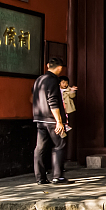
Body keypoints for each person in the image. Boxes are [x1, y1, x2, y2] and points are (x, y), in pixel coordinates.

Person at [32, 57, 70, 185]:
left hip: (39, 119)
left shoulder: (39, 79)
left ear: (48, 65)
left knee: (40, 148)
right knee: (59, 145)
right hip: (51, 119)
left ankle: (40, 177)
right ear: (59, 68)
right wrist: (59, 121)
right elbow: (53, 101)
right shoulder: (53, 80)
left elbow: (32, 98)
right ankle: (57, 176)